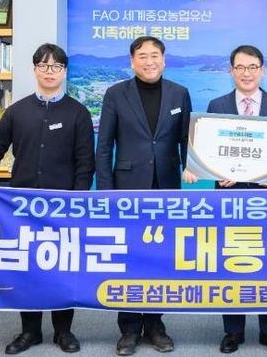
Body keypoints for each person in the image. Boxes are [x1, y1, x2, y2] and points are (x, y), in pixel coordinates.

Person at [0, 43, 95, 355]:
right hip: (22, 207)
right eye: (44, 65)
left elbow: (85, 163)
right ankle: (30, 332)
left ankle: (63, 331)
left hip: (63, 206)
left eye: (56, 66)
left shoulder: (78, 113)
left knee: (62, 268)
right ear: (35, 69)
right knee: (28, 268)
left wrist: (78, 201)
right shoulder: (18, 111)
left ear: (64, 72)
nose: (50, 71)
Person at [95, 36, 192, 356]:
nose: (149, 61)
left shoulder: (180, 93)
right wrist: (106, 192)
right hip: (127, 188)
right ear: (132, 61)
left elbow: (186, 141)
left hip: (166, 187)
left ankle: (155, 324)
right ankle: (129, 328)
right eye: (142, 56)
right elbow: (104, 145)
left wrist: (192, 167)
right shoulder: (116, 93)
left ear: (164, 60)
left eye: (155, 56)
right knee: (129, 257)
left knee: (159, 257)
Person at [204, 44, 267, 355]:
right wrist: (217, 172)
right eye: (240, 67)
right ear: (231, 71)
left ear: (262, 70)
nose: (246, 73)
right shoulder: (217, 104)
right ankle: (233, 331)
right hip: (230, 196)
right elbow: (210, 151)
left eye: (252, 67)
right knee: (232, 261)